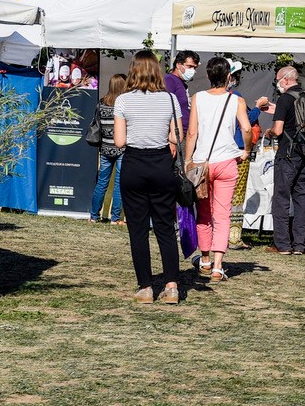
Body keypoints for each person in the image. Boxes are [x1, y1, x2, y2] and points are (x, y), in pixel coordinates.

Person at [112, 50, 182, 305]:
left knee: (138, 230)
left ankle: (145, 287)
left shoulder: (123, 101)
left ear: (133, 71)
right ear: (156, 72)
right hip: (162, 163)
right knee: (164, 227)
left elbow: (119, 141)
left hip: (134, 165)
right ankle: (172, 285)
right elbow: (178, 138)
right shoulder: (170, 99)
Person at [185, 57, 252, 283]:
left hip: (202, 162)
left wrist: (188, 160)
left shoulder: (198, 98)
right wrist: (246, 151)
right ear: (228, 77)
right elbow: (246, 128)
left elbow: (192, 132)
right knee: (222, 215)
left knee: (203, 213)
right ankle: (217, 266)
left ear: (208, 75)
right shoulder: (236, 101)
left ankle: (204, 258)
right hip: (226, 162)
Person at [260, 66, 305, 255]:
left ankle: (282, 244)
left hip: (288, 154)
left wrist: (268, 132)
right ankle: (299, 245)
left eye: (278, 79)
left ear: (285, 79)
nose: (278, 83)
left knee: (281, 199)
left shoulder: (284, 99)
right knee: (301, 200)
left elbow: (277, 130)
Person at [225, 60, 260, 250]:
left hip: (218, 153)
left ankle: (218, 234)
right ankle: (233, 236)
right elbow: (247, 122)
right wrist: (257, 108)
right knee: (237, 194)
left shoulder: (207, 97)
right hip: (238, 152)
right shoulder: (235, 97)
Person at [89, 74, 127, 225]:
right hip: (122, 148)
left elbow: (97, 124)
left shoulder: (101, 102)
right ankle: (116, 218)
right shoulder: (124, 104)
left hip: (105, 148)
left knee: (102, 182)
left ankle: (93, 216)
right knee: (119, 183)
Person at [163, 50, 201, 129]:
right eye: (189, 66)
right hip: (176, 134)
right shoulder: (170, 80)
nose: (193, 71)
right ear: (178, 65)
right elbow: (164, 108)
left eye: (194, 67)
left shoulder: (181, 83)